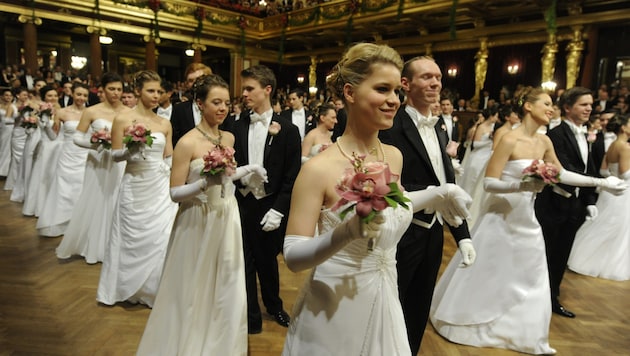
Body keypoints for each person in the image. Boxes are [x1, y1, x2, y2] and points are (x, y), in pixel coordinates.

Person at [282, 43, 471, 355]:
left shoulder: (393, 157)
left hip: (385, 294)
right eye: (383, 89)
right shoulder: (319, 169)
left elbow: (392, 208)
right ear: (350, 93)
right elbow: (292, 256)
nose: (394, 100)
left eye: (396, 91)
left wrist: (440, 193)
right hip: (333, 307)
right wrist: (344, 233)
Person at [430, 87, 627, 355]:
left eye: (552, 104)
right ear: (528, 107)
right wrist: (522, 187)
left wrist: (602, 182)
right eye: (546, 103)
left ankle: (526, 334)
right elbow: (489, 182)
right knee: (491, 271)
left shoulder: (545, 142)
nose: (551, 108)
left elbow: (562, 174)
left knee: (533, 275)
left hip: (528, 220)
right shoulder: (509, 140)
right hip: (500, 218)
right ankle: (473, 320)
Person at [137, 74, 267, 355]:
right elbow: (174, 193)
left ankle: (222, 343)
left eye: (226, 103)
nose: (222, 108)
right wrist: (203, 184)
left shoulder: (229, 136)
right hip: (197, 217)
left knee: (227, 282)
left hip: (226, 215)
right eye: (216, 102)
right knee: (194, 284)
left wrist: (250, 169)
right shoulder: (187, 142)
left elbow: (229, 176)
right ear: (199, 104)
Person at [379, 56, 476, 354]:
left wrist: (463, 236)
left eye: (438, 77)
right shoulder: (390, 126)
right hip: (402, 232)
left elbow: (446, 179)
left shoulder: (440, 127)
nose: (435, 83)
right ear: (405, 84)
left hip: (433, 234)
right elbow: (388, 184)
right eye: (426, 77)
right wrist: (437, 192)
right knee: (391, 308)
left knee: (419, 308)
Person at [534, 86, 621, 318]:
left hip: (575, 206)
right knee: (545, 254)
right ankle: (536, 300)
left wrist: (591, 200)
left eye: (591, 105)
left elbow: (589, 167)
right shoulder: (556, 134)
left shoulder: (585, 135)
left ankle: (552, 299)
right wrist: (599, 183)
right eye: (584, 104)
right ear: (567, 107)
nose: (589, 109)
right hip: (553, 205)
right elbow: (563, 170)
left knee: (561, 256)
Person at [229, 65, 301, 334]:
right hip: (241, 202)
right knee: (244, 260)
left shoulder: (288, 130)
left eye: (250, 88)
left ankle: (273, 305)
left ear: (267, 90)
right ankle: (251, 316)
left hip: (269, 204)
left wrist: (279, 210)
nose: (244, 94)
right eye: (243, 88)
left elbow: (292, 177)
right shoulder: (234, 126)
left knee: (268, 260)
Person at [96, 70, 178, 307]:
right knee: (131, 236)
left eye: (159, 91)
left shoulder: (164, 123)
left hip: (159, 186)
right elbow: (114, 156)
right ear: (138, 91)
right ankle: (126, 287)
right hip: (134, 184)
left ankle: (154, 290)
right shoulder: (123, 119)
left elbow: (169, 157)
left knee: (160, 237)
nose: (155, 95)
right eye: (150, 91)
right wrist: (131, 150)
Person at [55, 72, 129, 264]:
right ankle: (94, 245)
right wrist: (97, 143)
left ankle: (116, 244)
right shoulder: (92, 111)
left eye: (119, 89)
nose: (116, 93)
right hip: (98, 160)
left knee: (117, 198)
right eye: (111, 89)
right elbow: (77, 138)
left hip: (120, 162)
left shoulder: (129, 111)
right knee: (97, 199)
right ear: (102, 90)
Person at [568, 113, 630, 281]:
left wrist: (611, 178)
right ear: (624, 127)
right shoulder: (625, 147)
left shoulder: (612, 146)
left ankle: (587, 257)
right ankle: (607, 263)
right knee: (616, 228)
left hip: (608, 192)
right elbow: (626, 174)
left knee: (604, 225)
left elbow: (603, 171)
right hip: (622, 192)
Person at [36, 82, 90, 236]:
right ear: (72, 94)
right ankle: (61, 221)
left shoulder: (90, 113)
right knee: (63, 186)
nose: (81, 98)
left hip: (85, 154)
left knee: (82, 186)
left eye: (85, 95)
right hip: (67, 154)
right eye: (78, 94)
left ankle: (79, 222)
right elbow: (53, 136)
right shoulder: (62, 112)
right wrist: (44, 122)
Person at [21, 85, 63, 216]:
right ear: (44, 97)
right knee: (42, 176)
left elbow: (56, 135)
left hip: (58, 147)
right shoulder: (38, 111)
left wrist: (47, 125)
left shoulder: (61, 111)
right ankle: (39, 207)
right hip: (45, 147)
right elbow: (44, 133)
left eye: (55, 95)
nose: (53, 98)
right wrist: (41, 124)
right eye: (50, 96)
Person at [458, 106, 499, 195]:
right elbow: (475, 144)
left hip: (488, 155)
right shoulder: (481, 127)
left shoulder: (494, 127)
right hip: (479, 155)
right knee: (473, 178)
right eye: (496, 116)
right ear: (491, 116)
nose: (496, 118)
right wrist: (489, 141)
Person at [171, 63, 213, 146]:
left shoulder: (220, 107)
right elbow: (174, 140)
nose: (195, 83)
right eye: (190, 81)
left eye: (199, 79)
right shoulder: (179, 109)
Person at [3, 87, 31, 191]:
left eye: (27, 95)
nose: (26, 97)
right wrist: (18, 116)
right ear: (18, 95)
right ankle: (14, 182)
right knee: (17, 158)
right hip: (17, 133)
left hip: (27, 133)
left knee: (26, 156)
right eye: (24, 95)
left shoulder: (29, 106)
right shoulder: (12, 106)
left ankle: (23, 181)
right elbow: (6, 120)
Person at [0, 88, 17, 177]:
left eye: (10, 95)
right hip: (2, 128)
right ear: (2, 96)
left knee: (7, 148)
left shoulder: (14, 106)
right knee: (2, 147)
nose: (8, 97)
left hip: (11, 127)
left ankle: (5, 171)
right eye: (6, 95)